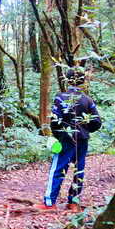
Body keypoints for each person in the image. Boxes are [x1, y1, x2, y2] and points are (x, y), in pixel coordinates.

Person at [35, 68, 102, 212]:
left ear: (67, 80)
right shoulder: (88, 100)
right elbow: (97, 122)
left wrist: (57, 135)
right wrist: (84, 130)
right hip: (82, 140)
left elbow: (54, 120)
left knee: (58, 169)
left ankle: (49, 203)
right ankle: (73, 202)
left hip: (65, 139)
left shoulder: (60, 97)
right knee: (79, 169)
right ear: (83, 82)